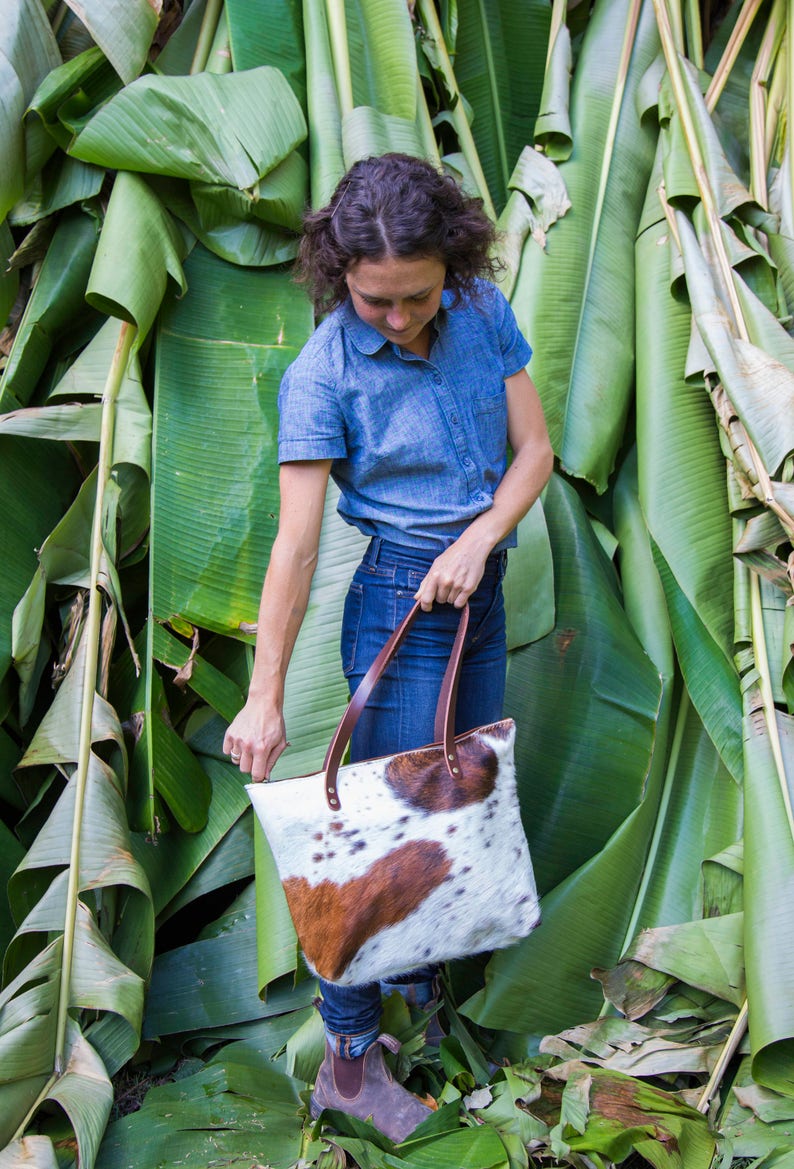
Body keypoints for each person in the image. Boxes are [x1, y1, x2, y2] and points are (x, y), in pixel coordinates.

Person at [223, 152, 553, 1141]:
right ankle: (347, 1062)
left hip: (476, 591)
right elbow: (295, 542)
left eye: (416, 297)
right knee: (379, 847)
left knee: (461, 804)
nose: (400, 317)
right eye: (376, 302)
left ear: (449, 264)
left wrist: (478, 539)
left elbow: (532, 450)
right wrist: (264, 695)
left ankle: (417, 1007)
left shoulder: (482, 307)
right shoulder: (321, 370)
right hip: (400, 613)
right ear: (341, 276)